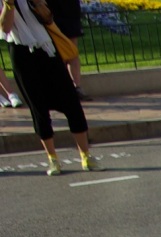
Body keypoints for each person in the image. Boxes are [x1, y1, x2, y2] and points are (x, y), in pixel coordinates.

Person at [1, 0, 101, 175]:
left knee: (71, 103)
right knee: (38, 108)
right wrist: (9, 5)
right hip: (21, 53)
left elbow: (49, 18)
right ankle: (53, 159)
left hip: (48, 49)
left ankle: (86, 155)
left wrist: (38, 3)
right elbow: (5, 28)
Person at [46, 0, 81, 96]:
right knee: (56, 53)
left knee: (72, 51)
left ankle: (76, 87)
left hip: (69, 13)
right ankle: (62, 87)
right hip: (51, 14)